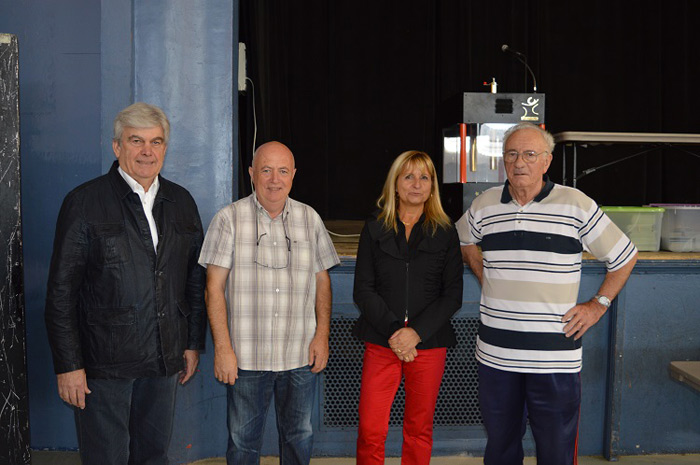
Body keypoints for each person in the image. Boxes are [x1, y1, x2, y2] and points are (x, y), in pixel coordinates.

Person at [456, 122, 638, 465]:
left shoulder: (576, 204)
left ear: (547, 161)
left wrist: (598, 305)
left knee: (556, 451)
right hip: (496, 356)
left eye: (529, 154)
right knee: (500, 447)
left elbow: (625, 256)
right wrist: (485, 276)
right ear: (502, 160)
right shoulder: (484, 204)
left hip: (554, 359)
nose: (519, 162)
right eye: (511, 154)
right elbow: (465, 241)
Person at [44, 102, 206, 465]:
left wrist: (192, 342)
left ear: (165, 147)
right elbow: (61, 294)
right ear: (117, 146)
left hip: (164, 359)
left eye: (156, 142)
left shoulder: (181, 202)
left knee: (153, 456)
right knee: (107, 458)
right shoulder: (84, 202)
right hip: (104, 365)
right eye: (136, 141)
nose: (147, 151)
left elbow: (195, 281)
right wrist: (69, 365)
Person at [199, 141, 340, 465]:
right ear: (252, 173)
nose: (275, 179)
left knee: (299, 438)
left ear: (293, 175)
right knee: (242, 444)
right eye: (266, 170)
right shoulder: (228, 219)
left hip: (299, 355)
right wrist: (223, 348)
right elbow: (213, 288)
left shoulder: (310, 219)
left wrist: (322, 336)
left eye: (282, 171)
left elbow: (322, 281)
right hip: (246, 358)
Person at [353, 150, 464, 465]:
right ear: (395, 184)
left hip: (428, 343)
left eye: (424, 177)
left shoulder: (445, 231)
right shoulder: (374, 227)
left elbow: (452, 295)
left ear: (432, 186)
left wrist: (415, 333)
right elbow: (363, 290)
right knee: (370, 429)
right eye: (409, 177)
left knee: (419, 429)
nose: (416, 184)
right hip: (382, 340)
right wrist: (395, 332)